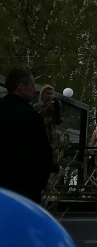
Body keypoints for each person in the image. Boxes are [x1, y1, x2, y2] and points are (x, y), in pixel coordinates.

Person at [0, 69, 56, 203]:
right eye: (32, 85)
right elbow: (42, 154)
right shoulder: (30, 116)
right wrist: (39, 183)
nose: (34, 90)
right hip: (24, 190)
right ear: (21, 87)